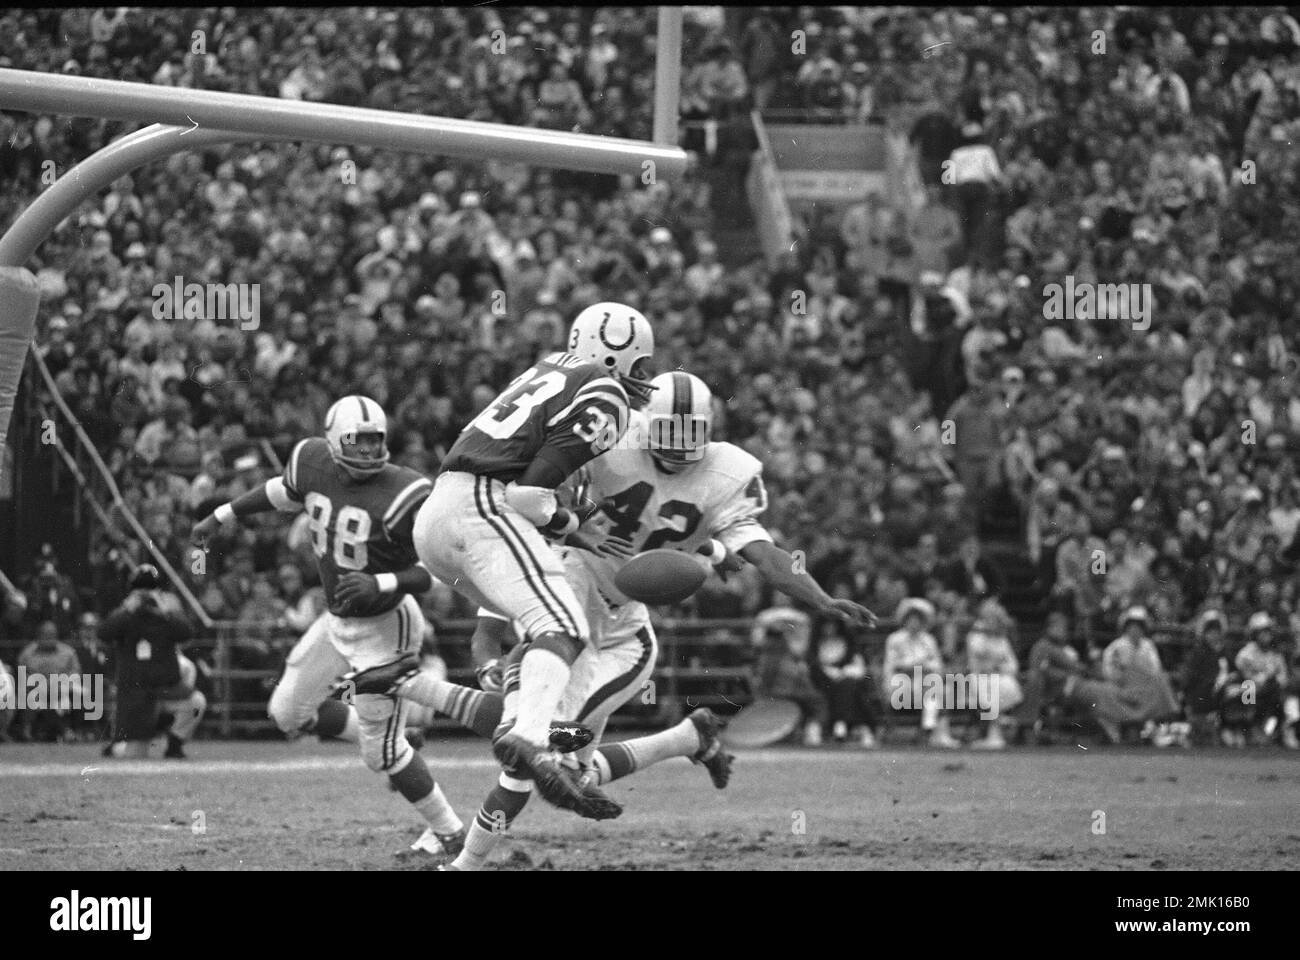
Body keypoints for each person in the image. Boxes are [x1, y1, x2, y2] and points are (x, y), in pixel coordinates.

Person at [348, 303, 657, 821]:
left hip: (440, 516)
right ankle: (534, 742)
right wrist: (573, 526)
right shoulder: (605, 392)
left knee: (540, 636)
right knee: (563, 626)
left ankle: (414, 685)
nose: (644, 379)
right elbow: (529, 495)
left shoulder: (548, 367)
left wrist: (562, 518)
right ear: (613, 354)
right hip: (482, 507)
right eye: (640, 365)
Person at [192, 396, 468, 850]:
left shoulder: (406, 491)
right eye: (357, 443)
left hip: (387, 625)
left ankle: (450, 832)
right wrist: (223, 514)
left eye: (375, 442)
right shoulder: (310, 461)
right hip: (337, 621)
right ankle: (402, 740)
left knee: (381, 755)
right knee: (287, 713)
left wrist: (380, 582)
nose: (368, 452)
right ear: (333, 440)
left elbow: (439, 570)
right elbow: (281, 493)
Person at [98, 566, 192, 757]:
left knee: (196, 702)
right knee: (136, 754)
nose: (146, 593)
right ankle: (116, 748)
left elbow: (187, 633)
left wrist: (165, 611)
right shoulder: (126, 614)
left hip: (165, 689)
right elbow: (104, 633)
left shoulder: (166, 614)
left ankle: (173, 744)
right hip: (136, 693)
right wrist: (127, 609)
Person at [884, 598, 959, 748]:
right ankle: (932, 731)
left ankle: (929, 730)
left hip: (924, 683)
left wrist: (923, 668)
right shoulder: (895, 639)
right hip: (900, 685)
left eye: (918, 620)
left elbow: (937, 665)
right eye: (911, 619)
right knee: (932, 689)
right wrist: (915, 667)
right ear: (905, 620)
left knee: (939, 689)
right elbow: (893, 665)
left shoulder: (928, 640)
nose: (914, 623)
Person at [1233, 611, 1299, 749]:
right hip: (1251, 694)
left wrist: (1275, 681)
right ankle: (1246, 729)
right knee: (1248, 687)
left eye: (1268, 632)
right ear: (1255, 634)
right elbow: (1244, 675)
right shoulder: (1246, 653)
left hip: (1271, 694)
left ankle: (1284, 731)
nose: (1266, 636)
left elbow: (1283, 677)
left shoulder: (1275, 654)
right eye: (1262, 632)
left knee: (1288, 694)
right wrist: (1262, 678)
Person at [15, 620, 83, 742]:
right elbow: (21, 675)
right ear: (38, 636)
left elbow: (75, 673)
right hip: (35, 690)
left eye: (52, 635)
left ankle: (76, 730)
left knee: (78, 692)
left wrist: (61, 684)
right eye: (45, 635)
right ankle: (62, 731)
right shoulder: (27, 653)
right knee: (26, 694)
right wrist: (38, 684)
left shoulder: (68, 652)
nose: (49, 638)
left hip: (61, 689)